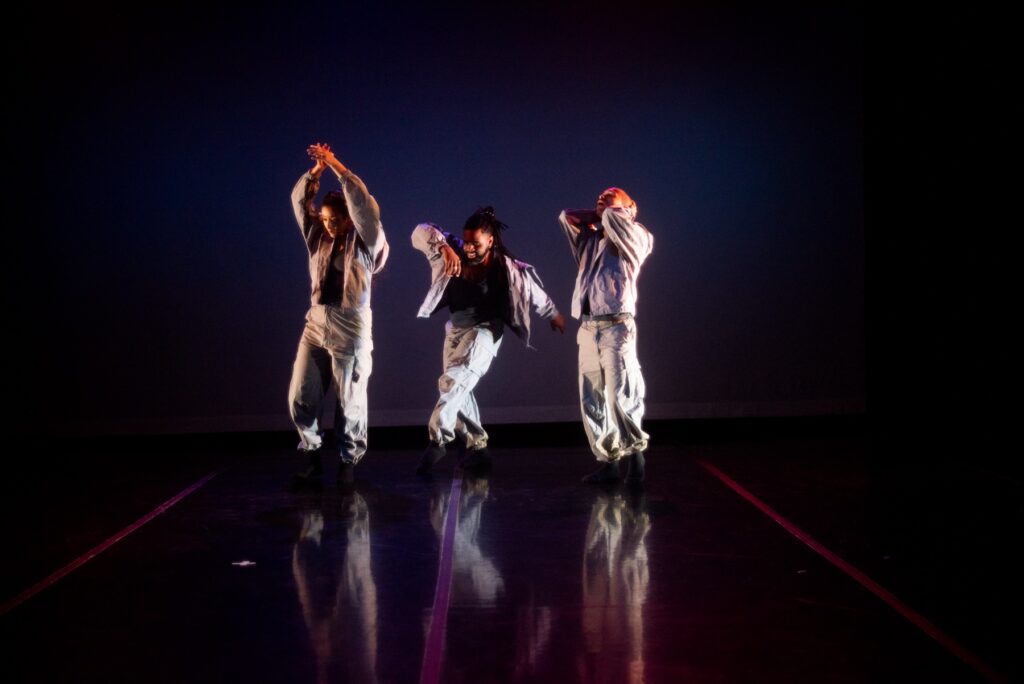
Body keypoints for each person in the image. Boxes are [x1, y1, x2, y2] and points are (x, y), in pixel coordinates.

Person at [411, 207, 565, 474]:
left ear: (490, 240)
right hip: (455, 330)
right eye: (466, 242)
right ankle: (478, 448)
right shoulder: (453, 251)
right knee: (459, 390)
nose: (469, 248)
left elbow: (532, 290)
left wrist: (552, 314)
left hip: (484, 331)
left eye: (476, 243)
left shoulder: (505, 268)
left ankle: (438, 440)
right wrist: (444, 247)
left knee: (452, 382)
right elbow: (419, 232)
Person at [287, 142, 389, 485]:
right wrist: (315, 173)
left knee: (351, 400)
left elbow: (365, 207)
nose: (328, 225)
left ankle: (348, 462)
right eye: (325, 219)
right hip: (316, 321)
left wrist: (335, 165)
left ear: (348, 219)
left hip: (351, 325)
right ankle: (312, 455)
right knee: (301, 394)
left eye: (335, 220)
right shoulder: (318, 237)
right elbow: (300, 205)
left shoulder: (367, 241)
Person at [559, 188, 653, 483]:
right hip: (588, 327)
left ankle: (635, 458)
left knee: (621, 395)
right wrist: (599, 215)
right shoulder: (590, 239)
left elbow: (615, 218)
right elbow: (567, 217)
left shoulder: (638, 236)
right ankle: (609, 461)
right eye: (600, 195)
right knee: (593, 399)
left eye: (612, 193)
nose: (603, 196)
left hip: (616, 326)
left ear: (631, 206)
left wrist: (609, 212)